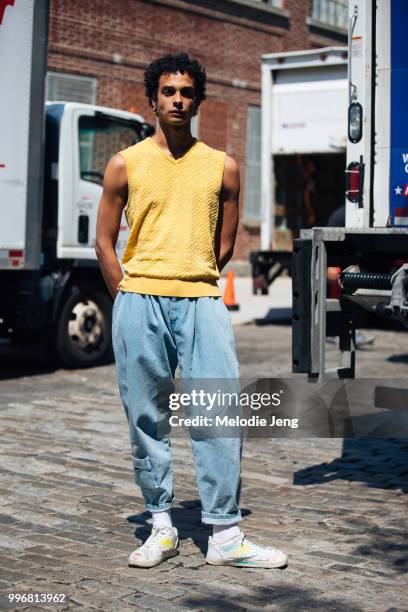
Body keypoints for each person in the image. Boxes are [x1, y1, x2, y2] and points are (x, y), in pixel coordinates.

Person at [95, 53, 287, 569]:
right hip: (140, 302)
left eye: (186, 92)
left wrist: (192, 275)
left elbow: (223, 246)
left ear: (197, 100)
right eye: (168, 91)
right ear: (152, 99)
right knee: (145, 416)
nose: (177, 100)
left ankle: (224, 533)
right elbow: (104, 242)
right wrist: (127, 297)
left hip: (202, 299)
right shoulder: (125, 164)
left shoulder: (221, 165)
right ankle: (160, 525)